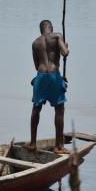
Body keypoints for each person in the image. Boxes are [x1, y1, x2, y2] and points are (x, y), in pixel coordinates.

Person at [27, 20, 70, 154]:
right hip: (53, 75)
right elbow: (65, 53)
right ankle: (59, 146)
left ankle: (33, 143)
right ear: (50, 28)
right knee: (59, 109)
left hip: (40, 77)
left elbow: (36, 66)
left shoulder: (35, 43)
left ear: (41, 30)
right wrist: (65, 46)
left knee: (36, 109)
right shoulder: (57, 36)